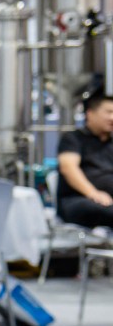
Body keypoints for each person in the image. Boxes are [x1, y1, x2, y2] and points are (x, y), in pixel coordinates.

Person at [56, 91, 113, 227]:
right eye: (108, 112)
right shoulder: (73, 139)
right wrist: (93, 193)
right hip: (79, 199)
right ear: (90, 114)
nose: (112, 117)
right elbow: (68, 168)